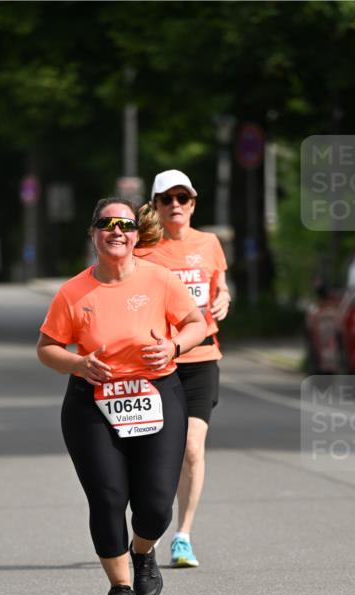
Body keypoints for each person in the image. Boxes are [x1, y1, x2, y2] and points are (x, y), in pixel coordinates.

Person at [37, 197, 208, 595]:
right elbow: (47, 348)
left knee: (154, 505)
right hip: (92, 403)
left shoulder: (160, 279)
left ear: (136, 235)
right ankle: (120, 586)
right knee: (108, 497)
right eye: (107, 223)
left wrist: (173, 345)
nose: (117, 231)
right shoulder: (73, 291)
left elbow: (197, 324)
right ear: (94, 232)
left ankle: (143, 549)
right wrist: (78, 363)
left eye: (126, 225)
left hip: (156, 394)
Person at [135, 170, 230, 568]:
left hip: (201, 357)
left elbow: (219, 285)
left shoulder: (209, 243)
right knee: (154, 452)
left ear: (193, 202)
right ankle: (147, 526)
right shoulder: (142, 249)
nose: (176, 205)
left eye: (183, 198)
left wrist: (223, 296)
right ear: (155, 205)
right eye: (167, 198)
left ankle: (183, 536)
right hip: (158, 361)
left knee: (192, 448)